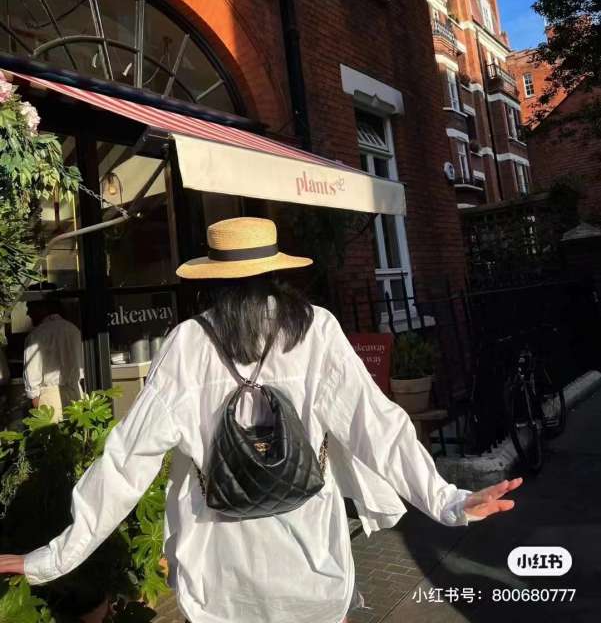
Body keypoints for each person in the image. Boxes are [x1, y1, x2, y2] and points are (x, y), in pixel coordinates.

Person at [0, 218, 522, 623]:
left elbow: (126, 460)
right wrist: (447, 500)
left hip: (219, 577)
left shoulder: (187, 344)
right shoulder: (316, 330)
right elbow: (377, 425)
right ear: (276, 270)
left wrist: (53, 558)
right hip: (312, 564)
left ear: (212, 277)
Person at [22, 286, 84, 422]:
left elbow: (32, 378)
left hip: (49, 398)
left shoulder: (36, 335)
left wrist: (37, 404)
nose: (28, 313)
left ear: (42, 307)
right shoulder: (73, 330)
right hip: (76, 394)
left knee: (53, 435)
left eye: (30, 307)